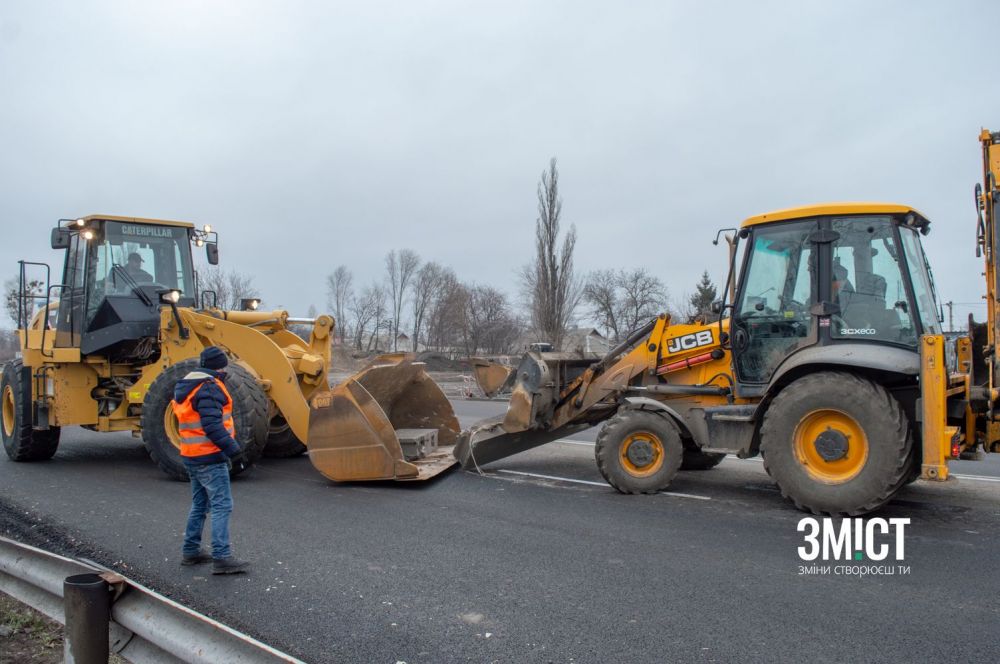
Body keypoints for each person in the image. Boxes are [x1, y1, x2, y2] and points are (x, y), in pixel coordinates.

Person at [172, 346, 250, 574]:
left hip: (191, 455)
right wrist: (234, 450)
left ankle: (191, 551)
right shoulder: (209, 388)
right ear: (219, 365)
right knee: (221, 505)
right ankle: (222, 557)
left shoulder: (187, 385)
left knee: (199, 504)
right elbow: (212, 426)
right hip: (209, 456)